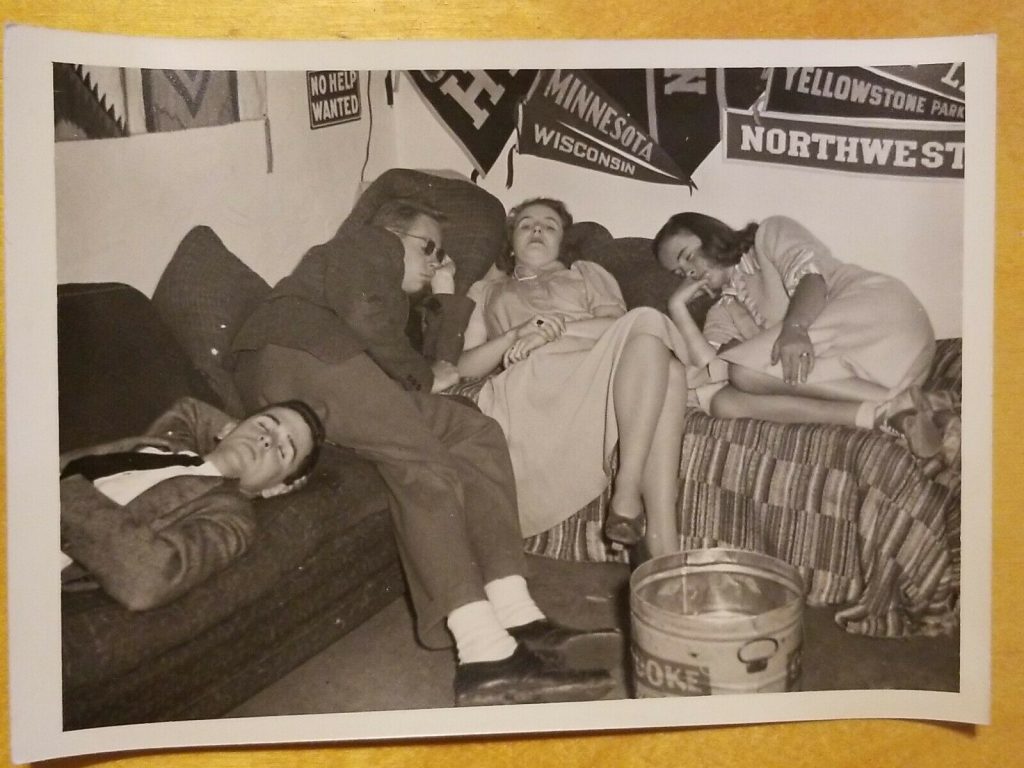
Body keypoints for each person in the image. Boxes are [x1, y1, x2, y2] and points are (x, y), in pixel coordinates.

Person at [231, 197, 618, 707]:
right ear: (393, 236)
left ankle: (518, 616)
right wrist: (420, 373)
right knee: (424, 461)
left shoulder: (397, 298)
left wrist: (445, 293)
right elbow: (377, 328)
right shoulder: (365, 247)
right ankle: (485, 656)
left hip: (345, 374)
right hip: (299, 356)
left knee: (475, 431)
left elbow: (444, 365)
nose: (437, 258)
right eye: (427, 247)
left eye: (442, 252)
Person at [458, 198, 719, 558]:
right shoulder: (486, 290)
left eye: (549, 225)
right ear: (511, 240)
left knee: (649, 339)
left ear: (562, 241)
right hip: (536, 381)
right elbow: (465, 367)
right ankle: (649, 527)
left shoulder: (586, 274)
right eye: (526, 224)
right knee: (669, 368)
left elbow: (619, 326)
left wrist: (554, 331)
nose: (537, 230)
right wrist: (517, 334)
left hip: (596, 366)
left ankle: (649, 527)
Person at [652, 212, 942, 456]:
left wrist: (795, 328)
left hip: (880, 319)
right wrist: (677, 307)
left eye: (688, 256)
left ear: (712, 235)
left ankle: (895, 401)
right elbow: (710, 369)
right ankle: (882, 413)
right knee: (723, 402)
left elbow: (812, 278)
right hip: (860, 373)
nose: (689, 272)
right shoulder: (724, 310)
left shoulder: (769, 234)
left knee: (743, 371)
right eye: (680, 273)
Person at [59, 396, 325, 611]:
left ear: (277, 488)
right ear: (229, 427)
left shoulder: (229, 516)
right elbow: (192, 408)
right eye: (264, 426)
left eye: (282, 451)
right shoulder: (174, 445)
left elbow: (148, 581)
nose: (267, 440)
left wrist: (62, 493)